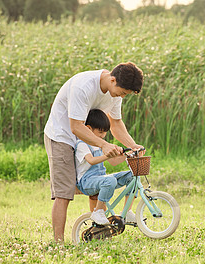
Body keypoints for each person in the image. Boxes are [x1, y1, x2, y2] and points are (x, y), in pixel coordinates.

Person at [44, 62, 145, 243]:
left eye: (125, 95)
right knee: (64, 192)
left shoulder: (115, 94)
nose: (121, 96)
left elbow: (115, 124)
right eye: (122, 92)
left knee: (98, 182)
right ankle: (58, 243)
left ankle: (96, 232)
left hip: (89, 137)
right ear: (112, 79)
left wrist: (133, 146)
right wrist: (104, 145)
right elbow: (76, 127)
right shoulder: (84, 86)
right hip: (62, 135)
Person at [75, 109, 136, 225]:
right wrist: (108, 155)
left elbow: (113, 162)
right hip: (86, 182)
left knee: (132, 175)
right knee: (110, 180)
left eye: (105, 133)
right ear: (88, 129)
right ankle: (98, 211)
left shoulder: (98, 145)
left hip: (101, 178)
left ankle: (128, 211)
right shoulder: (82, 144)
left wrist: (126, 155)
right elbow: (91, 161)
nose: (103, 136)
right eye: (100, 132)